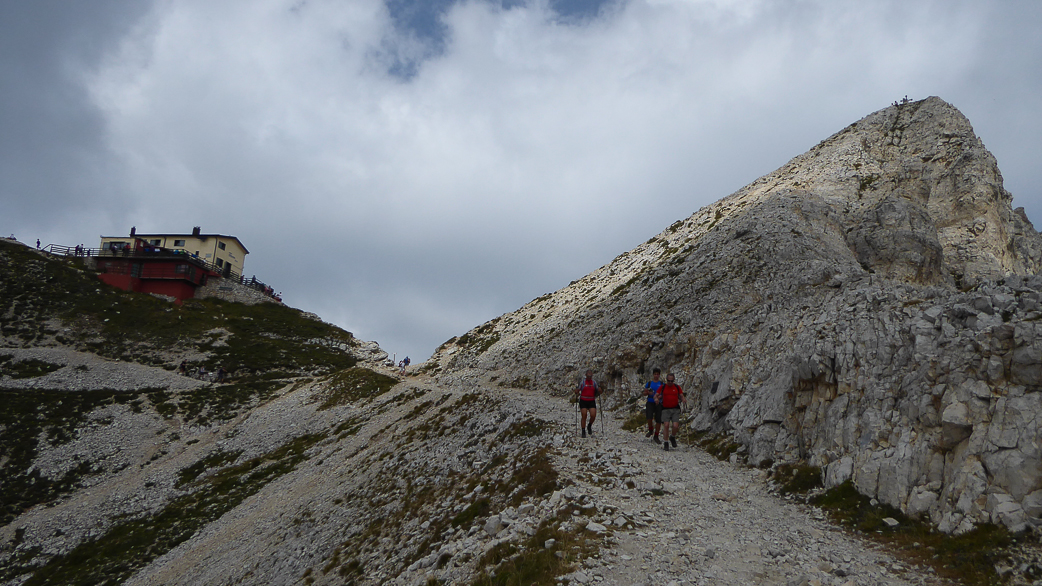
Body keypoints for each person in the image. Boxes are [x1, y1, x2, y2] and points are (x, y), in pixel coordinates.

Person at [655, 373, 685, 451]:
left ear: (673, 380)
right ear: (666, 380)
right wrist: (656, 399)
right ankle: (666, 442)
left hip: (675, 409)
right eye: (669, 381)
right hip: (665, 409)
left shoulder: (677, 387)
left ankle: (672, 437)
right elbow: (656, 395)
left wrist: (683, 400)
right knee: (666, 425)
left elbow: (681, 395)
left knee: (675, 426)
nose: (670, 382)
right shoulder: (663, 387)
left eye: (672, 381)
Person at [574, 369, 600, 438]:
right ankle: (583, 430)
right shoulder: (582, 382)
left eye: (590, 376)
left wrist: (600, 390)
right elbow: (578, 389)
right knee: (584, 415)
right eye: (588, 376)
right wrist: (576, 391)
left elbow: (598, 390)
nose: (589, 377)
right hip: (583, 400)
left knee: (593, 415)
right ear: (586, 375)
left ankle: (589, 425)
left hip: (591, 400)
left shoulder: (594, 382)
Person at [642, 368, 664, 443]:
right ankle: (650, 429)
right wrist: (648, 393)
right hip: (650, 402)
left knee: (658, 420)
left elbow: (664, 393)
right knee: (649, 417)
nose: (656, 375)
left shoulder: (662, 384)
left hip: (659, 403)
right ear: (653, 375)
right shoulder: (649, 383)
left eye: (657, 374)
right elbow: (644, 393)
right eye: (655, 374)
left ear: (659, 375)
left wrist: (659, 397)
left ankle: (656, 436)